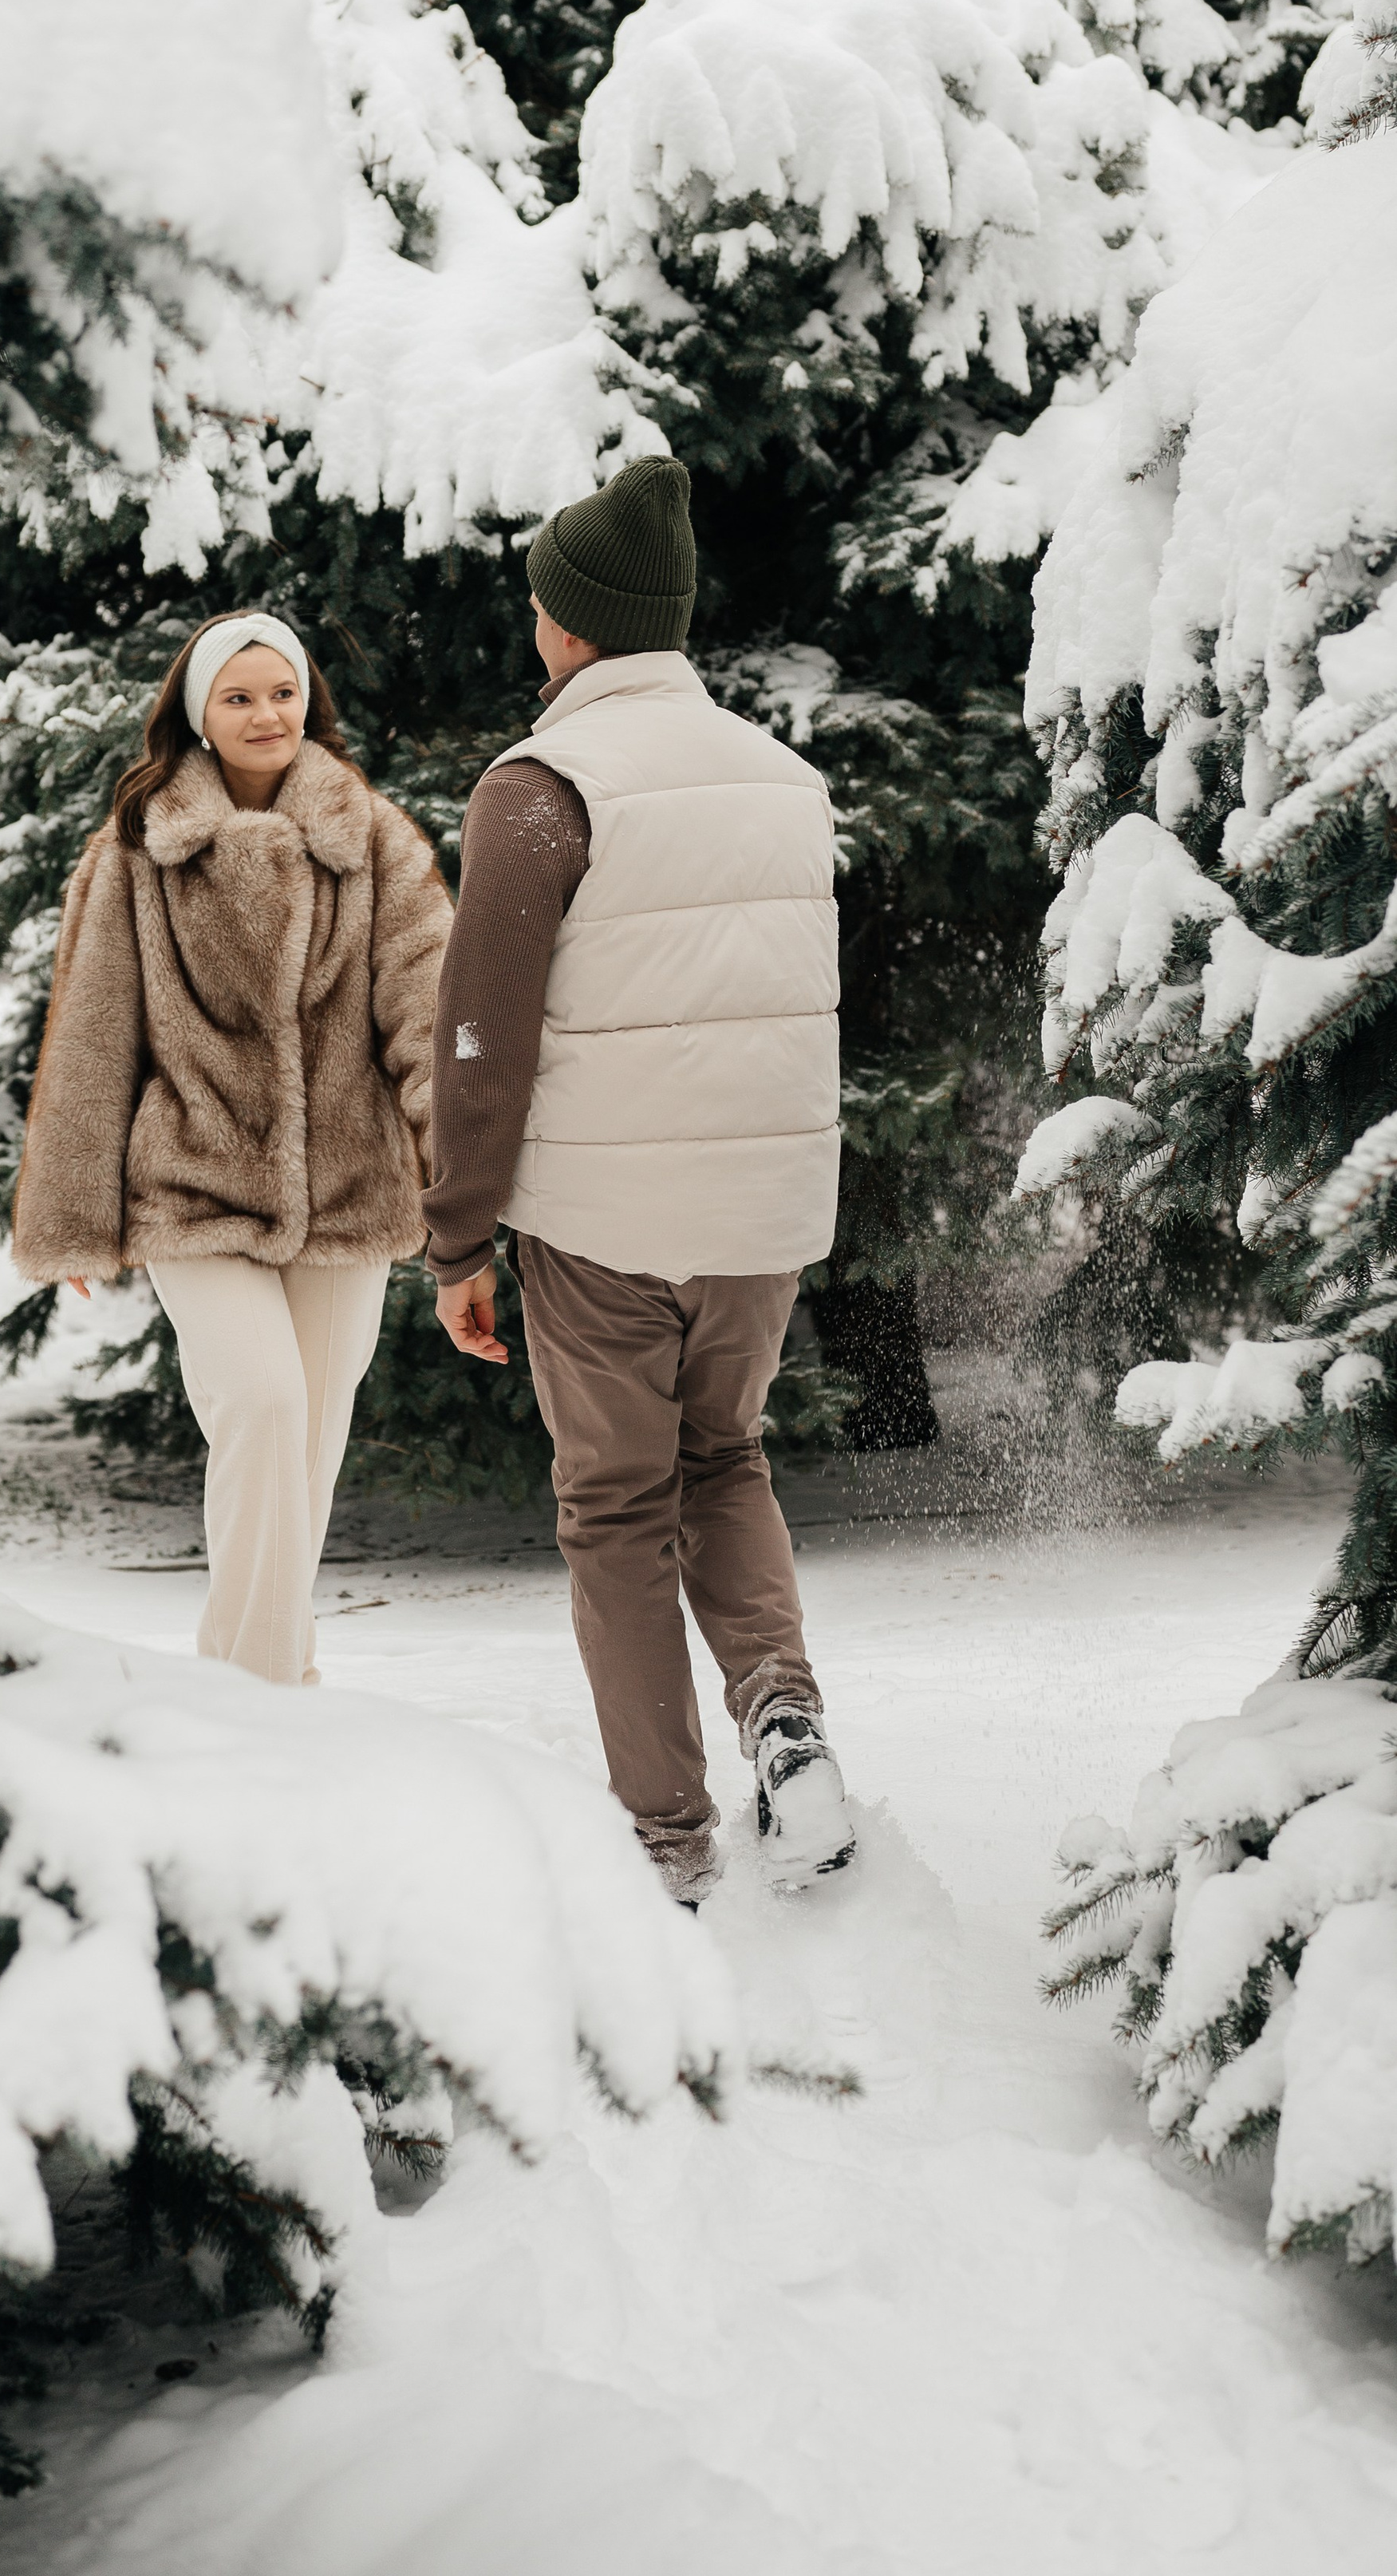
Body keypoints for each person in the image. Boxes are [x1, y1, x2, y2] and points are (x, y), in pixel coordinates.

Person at [422, 458, 855, 1899]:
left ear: (570, 623)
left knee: (615, 1506)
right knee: (725, 1459)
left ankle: (666, 1846)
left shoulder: (542, 788)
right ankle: (783, 1723)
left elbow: (484, 1037)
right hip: (762, 1219)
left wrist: (457, 1244)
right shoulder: (787, 783)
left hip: (605, 1228)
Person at [11, 613, 451, 1687]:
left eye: (284, 693)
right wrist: (70, 1210)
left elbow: (429, 1011)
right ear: (198, 715)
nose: (266, 715)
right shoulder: (138, 847)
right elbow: (94, 1034)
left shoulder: (373, 836)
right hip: (192, 1183)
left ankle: (265, 1675)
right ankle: (254, 1690)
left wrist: (460, 1171)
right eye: (239, 697)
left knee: (311, 1437)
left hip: (350, 1191)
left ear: (310, 702)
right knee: (261, 1403)